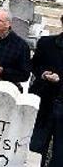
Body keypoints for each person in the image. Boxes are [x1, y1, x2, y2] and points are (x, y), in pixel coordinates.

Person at [29, 17, 63, 166]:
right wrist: (43, 74)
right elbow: (35, 65)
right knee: (35, 148)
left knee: (60, 156)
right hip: (44, 103)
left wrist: (60, 80)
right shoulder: (46, 43)